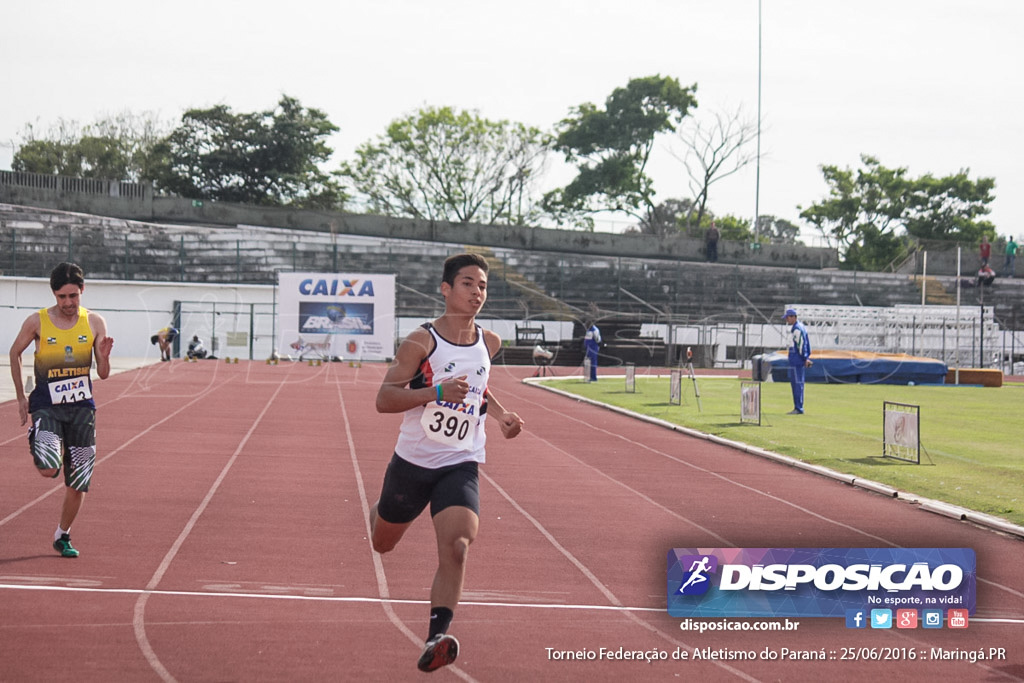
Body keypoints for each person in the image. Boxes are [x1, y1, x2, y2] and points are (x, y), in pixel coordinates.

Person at [369, 253, 525, 673]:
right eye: (468, 284)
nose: (477, 292)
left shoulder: (489, 342)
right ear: (446, 289)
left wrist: (501, 416)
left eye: (483, 286)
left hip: (461, 461)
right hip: (414, 462)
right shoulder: (421, 342)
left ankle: (437, 635)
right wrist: (434, 392)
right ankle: (379, 512)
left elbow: (477, 390)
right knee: (382, 542)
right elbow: (385, 399)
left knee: (458, 545)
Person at [8, 262, 114, 558]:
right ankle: (38, 436)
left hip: (82, 408)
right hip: (47, 406)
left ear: (82, 290)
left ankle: (62, 535)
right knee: (48, 468)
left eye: (73, 296)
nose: (68, 303)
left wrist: (103, 357)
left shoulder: (94, 322)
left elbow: (103, 374)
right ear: (54, 295)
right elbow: (15, 352)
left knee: (79, 479)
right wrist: (20, 397)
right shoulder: (37, 321)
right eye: (61, 297)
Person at [782, 308, 812, 415]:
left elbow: (801, 345)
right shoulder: (801, 327)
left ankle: (798, 408)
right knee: (798, 384)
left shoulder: (797, 329)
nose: (787, 320)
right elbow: (806, 344)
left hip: (797, 360)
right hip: (798, 360)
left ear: (793, 317)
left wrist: (805, 358)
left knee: (797, 384)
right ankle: (798, 407)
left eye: (788, 317)